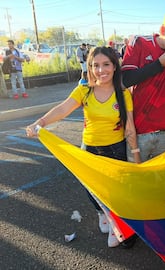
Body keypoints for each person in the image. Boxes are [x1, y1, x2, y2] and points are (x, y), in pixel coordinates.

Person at [26, 46, 141, 248]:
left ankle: (117, 226)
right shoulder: (84, 90)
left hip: (115, 149)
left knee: (113, 193)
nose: (101, 70)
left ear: (115, 66)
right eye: (95, 65)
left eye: (106, 64)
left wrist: (136, 157)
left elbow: (129, 127)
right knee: (92, 191)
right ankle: (102, 216)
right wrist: (41, 122)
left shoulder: (123, 94)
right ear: (89, 67)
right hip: (89, 149)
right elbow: (63, 108)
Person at [121, 9, 165, 162]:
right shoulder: (139, 43)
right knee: (136, 178)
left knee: (163, 180)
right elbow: (125, 80)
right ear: (162, 30)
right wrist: (159, 64)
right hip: (139, 131)